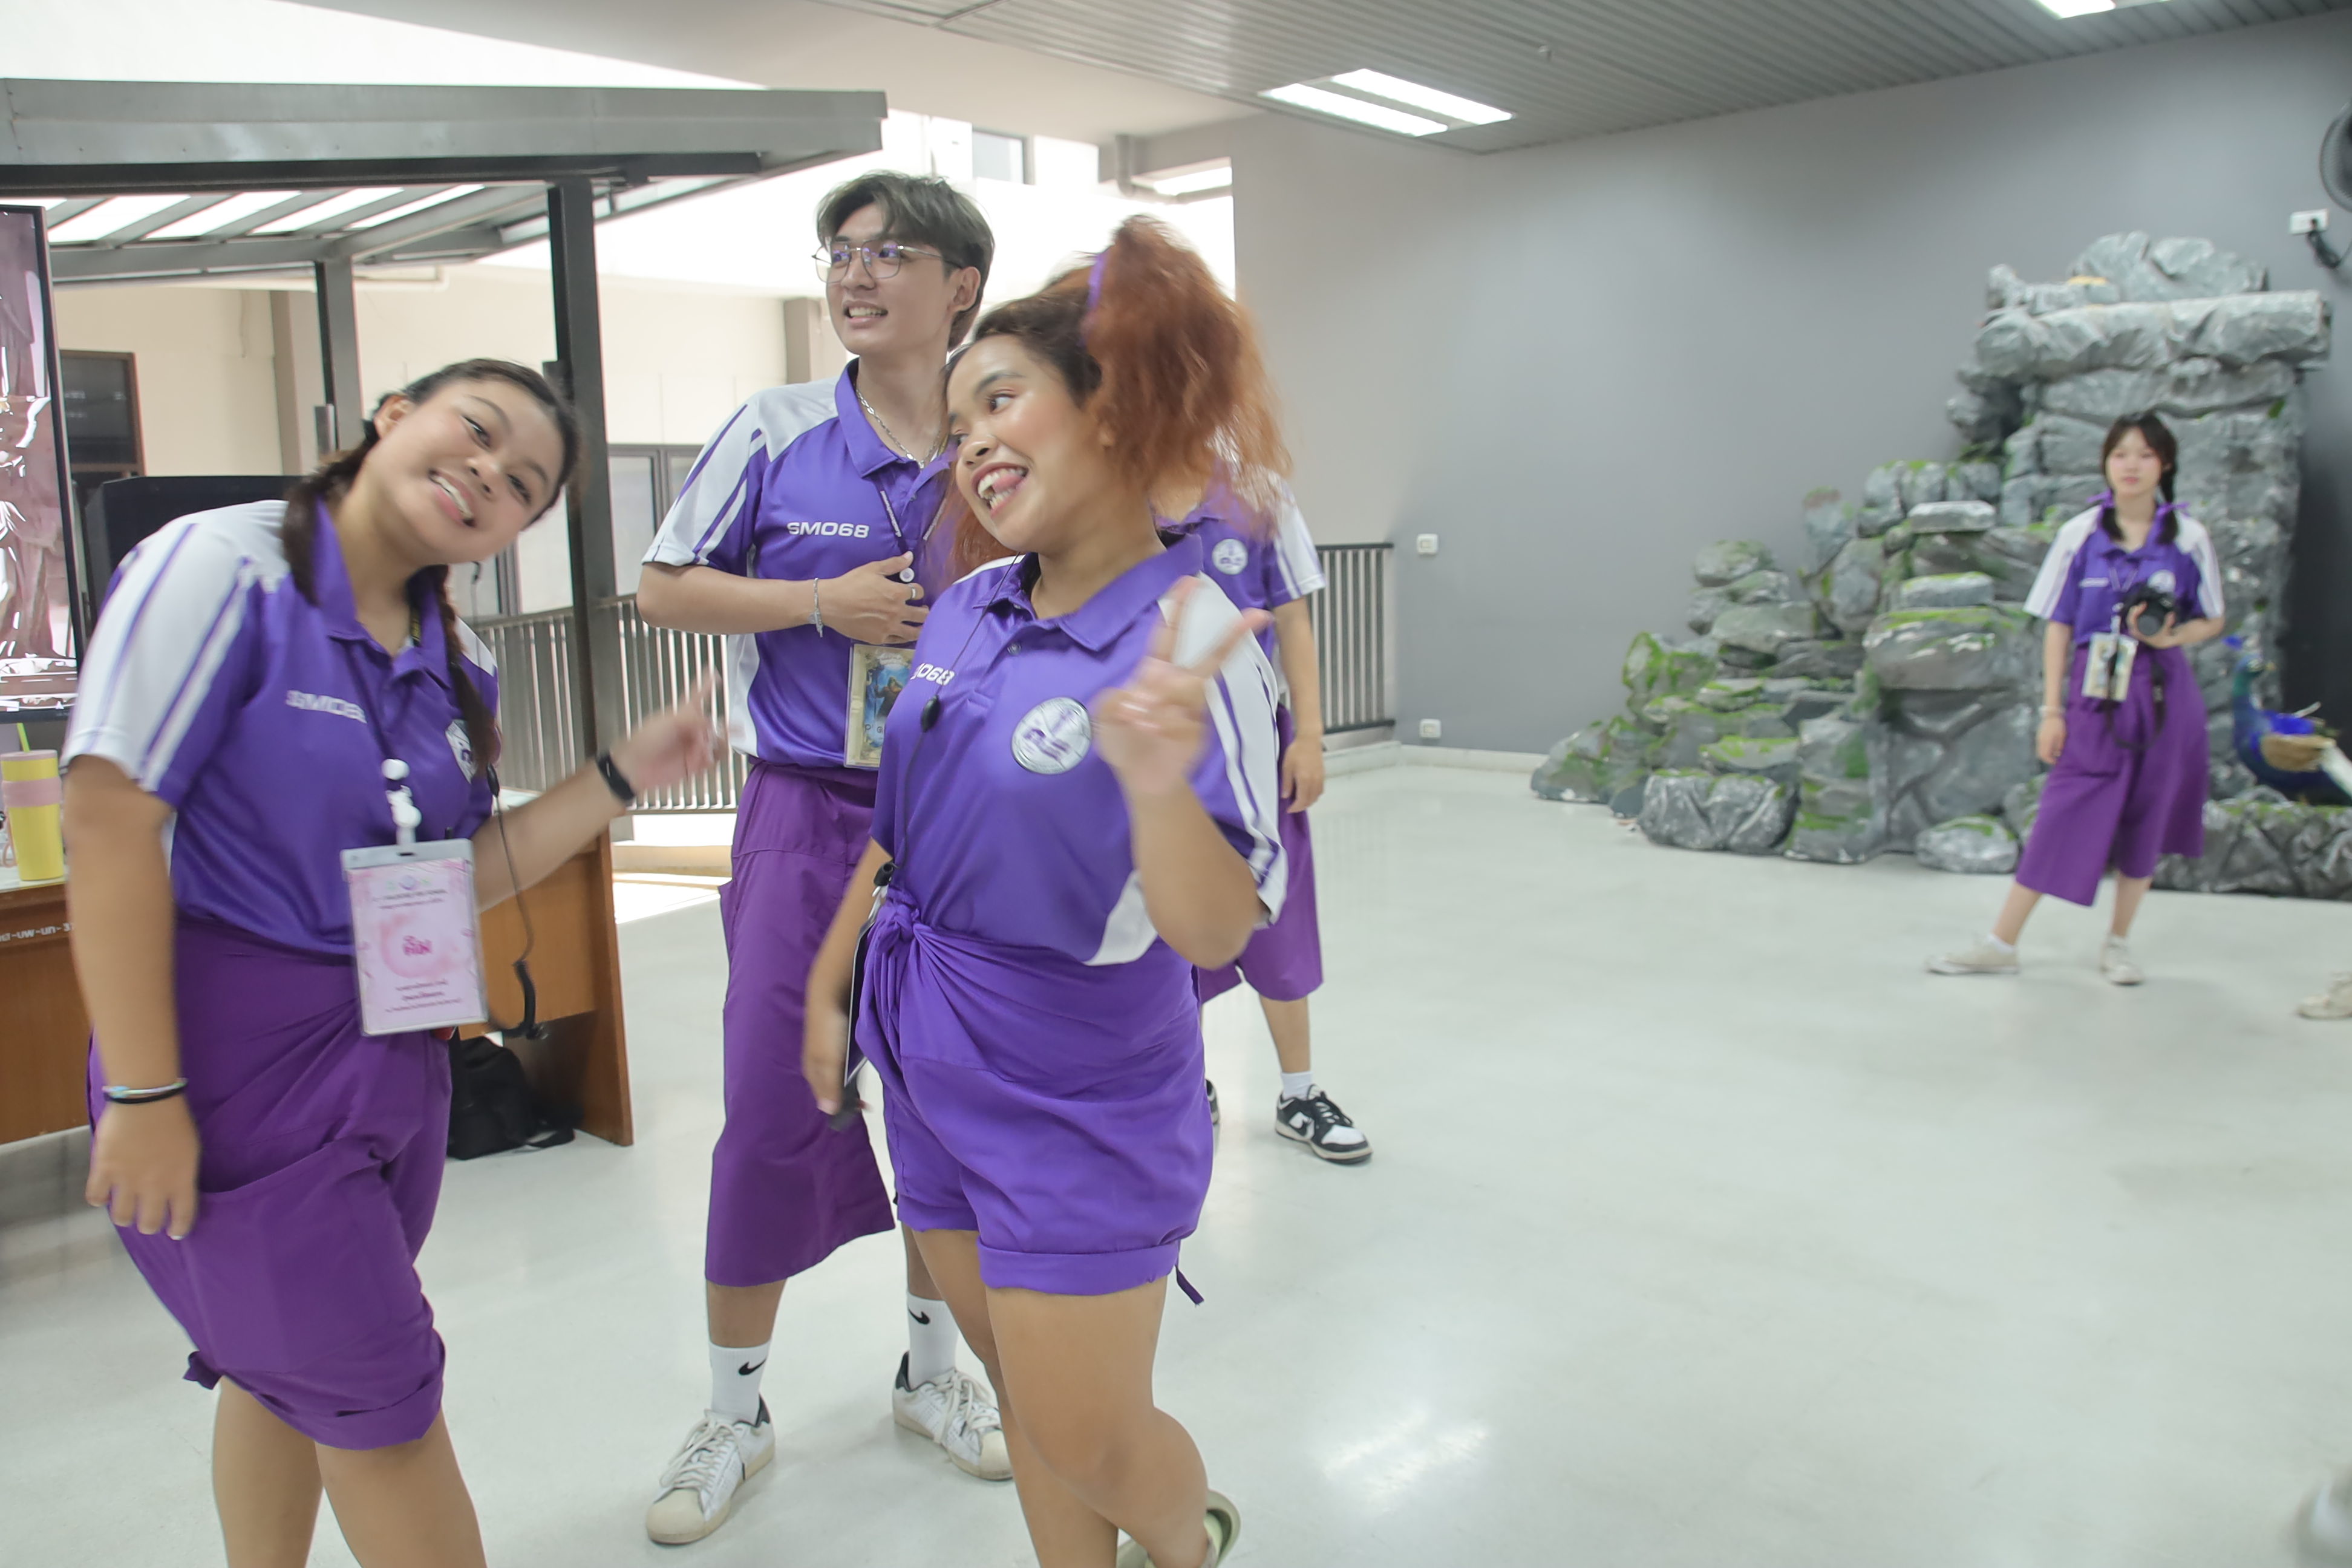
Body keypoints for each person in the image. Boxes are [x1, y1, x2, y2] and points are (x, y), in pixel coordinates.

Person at [64, 359, 723, 1568]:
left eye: (522, 484)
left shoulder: (450, 664)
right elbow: (107, 819)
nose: (487, 474)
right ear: (393, 417)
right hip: (233, 1073)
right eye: (475, 430)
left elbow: (453, 879)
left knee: (282, 1378)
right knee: (382, 1401)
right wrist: (149, 1093)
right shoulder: (222, 569)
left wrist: (620, 775)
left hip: (386, 1064)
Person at [802, 215, 1286, 1568]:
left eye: (1001, 399)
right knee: (1024, 1394)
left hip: (1078, 1081)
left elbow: (1217, 930)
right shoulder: (963, 605)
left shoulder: (1195, 640)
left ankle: (1184, 1537)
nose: (972, 443)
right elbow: (894, 834)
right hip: (924, 1048)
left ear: (1112, 411)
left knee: (1089, 1429)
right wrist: (830, 991)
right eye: (959, 423)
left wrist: (1153, 778)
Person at [633, 170, 1008, 1543]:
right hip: (805, 814)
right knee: (771, 1100)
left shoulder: (1003, 433)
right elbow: (662, 585)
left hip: (961, 817)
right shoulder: (776, 429)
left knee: (947, 1105)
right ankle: (733, 1410)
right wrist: (816, 602)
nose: (854, 273)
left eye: (888, 252)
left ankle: (930, 1373)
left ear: (958, 286)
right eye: (838, 253)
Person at [1928, 413, 2224, 983]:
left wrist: (2173, 637)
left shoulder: (2188, 538)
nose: (2131, 466)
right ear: (2105, 463)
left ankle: (2118, 944)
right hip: (2095, 693)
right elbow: (2058, 625)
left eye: (2145, 455)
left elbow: (2212, 618)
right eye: (2120, 454)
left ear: (2165, 464)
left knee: (2149, 812)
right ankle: (2001, 942)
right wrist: (2052, 711)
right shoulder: (2080, 534)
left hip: (2163, 695)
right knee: (2063, 808)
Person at [1164, 482, 1368, 1162]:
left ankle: (1299, 1093)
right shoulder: (1118, 481)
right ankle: (1187, 1081)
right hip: (1167, 746)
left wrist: (1308, 736)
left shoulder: (1257, 492)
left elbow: (1293, 616)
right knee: (1170, 920)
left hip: (1257, 746)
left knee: (1279, 919)